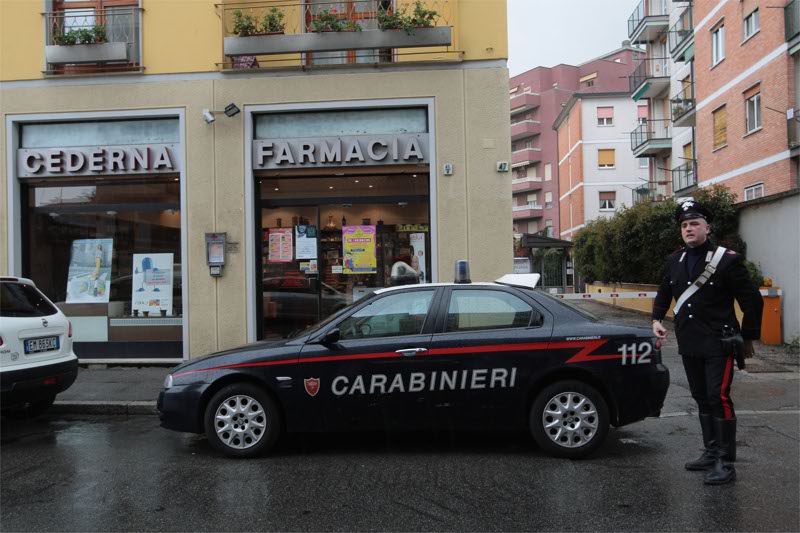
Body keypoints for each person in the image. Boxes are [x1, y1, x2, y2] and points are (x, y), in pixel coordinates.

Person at [652, 199, 763, 485]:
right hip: (689, 341)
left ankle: (726, 463)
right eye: (684, 225)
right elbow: (664, 293)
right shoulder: (674, 260)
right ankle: (711, 452)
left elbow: (752, 300)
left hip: (719, 341)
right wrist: (656, 319)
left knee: (718, 397)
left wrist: (748, 336)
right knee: (701, 397)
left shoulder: (726, 259)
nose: (689, 229)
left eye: (694, 224)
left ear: (707, 227)